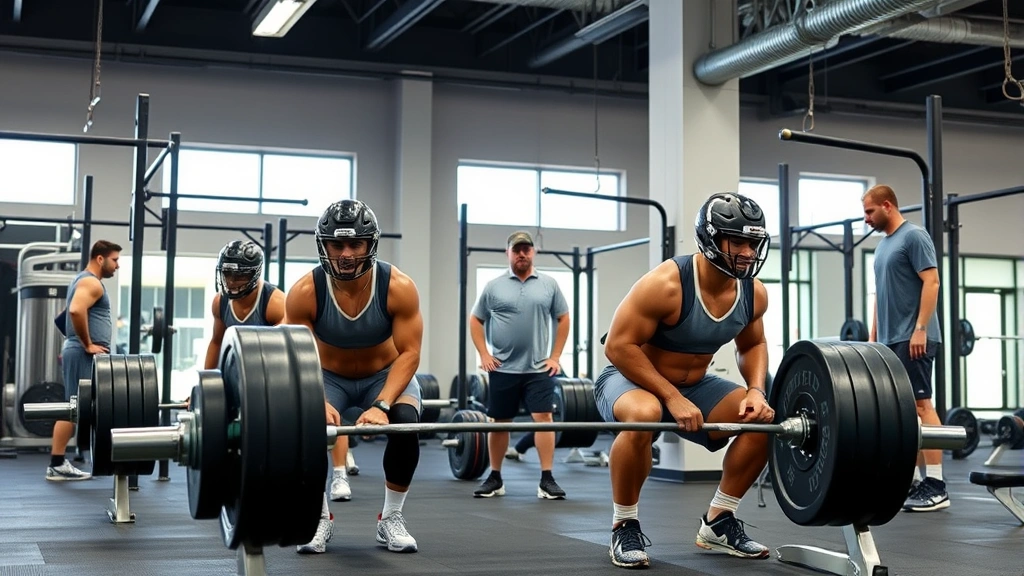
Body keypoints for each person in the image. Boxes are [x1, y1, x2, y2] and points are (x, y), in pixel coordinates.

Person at [596, 192, 774, 568]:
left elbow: (753, 343)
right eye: (738, 241)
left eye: (753, 243)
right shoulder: (667, 284)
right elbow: (618, 346)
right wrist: (671, 396)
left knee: (762, 422)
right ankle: (623, 525)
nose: (747, 252)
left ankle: (719, 521)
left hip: (695, 385)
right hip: (632, 378)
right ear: (711, 239)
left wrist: (757, 390)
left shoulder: (752, 292)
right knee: (644, 414)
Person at [286, 199, 424, 555]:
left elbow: (409, 353)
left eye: (355, 244)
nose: (346, 254)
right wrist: (315, 399)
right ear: (324, 245)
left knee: (406, 424)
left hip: (385, 375)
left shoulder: (398, 287)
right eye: (337, 244)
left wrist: (382, 404)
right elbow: (298, 355)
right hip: (328, 377)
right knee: (308, 429)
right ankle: (319, 518)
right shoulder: (305, 292)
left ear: (370, 245)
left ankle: (391, 518)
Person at [863, 184, 947, 512]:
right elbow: (879, 296)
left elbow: (932, 281)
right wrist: (873, 337)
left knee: (923, 406)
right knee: (904, 412)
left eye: (870, 211)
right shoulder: (882, 247)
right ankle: (911, 482)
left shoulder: (914, 236)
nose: (867, 218)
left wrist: (921, 328)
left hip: (915, 338)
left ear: (887, 205)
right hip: (889, 340)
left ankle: (937, 484)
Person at [469, 231, 570, 500]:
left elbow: (563, 317)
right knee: (499, 423)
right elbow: (476, 320)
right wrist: (484, 355)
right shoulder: (494, 286)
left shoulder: (548, 284)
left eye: (526, 249)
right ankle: (495, 477)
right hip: (502, 368)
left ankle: (547, 479)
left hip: (539, 369)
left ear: (533, 252)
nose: (522, 254)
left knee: (544, 420)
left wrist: (556, 356)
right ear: (508, 253)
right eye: (517, 250)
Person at [49, 240, 121, 481]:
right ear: (100, 258)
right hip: (83, 353)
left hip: (78, 350)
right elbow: (75, 311)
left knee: (79, 407)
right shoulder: (91, 282)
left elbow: (61, 318)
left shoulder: (81, 279)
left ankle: (64, 461)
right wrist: (86, 344)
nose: (117, 265)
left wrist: (74, 340)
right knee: (73, 407)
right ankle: (57, 464)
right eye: (115, 260)